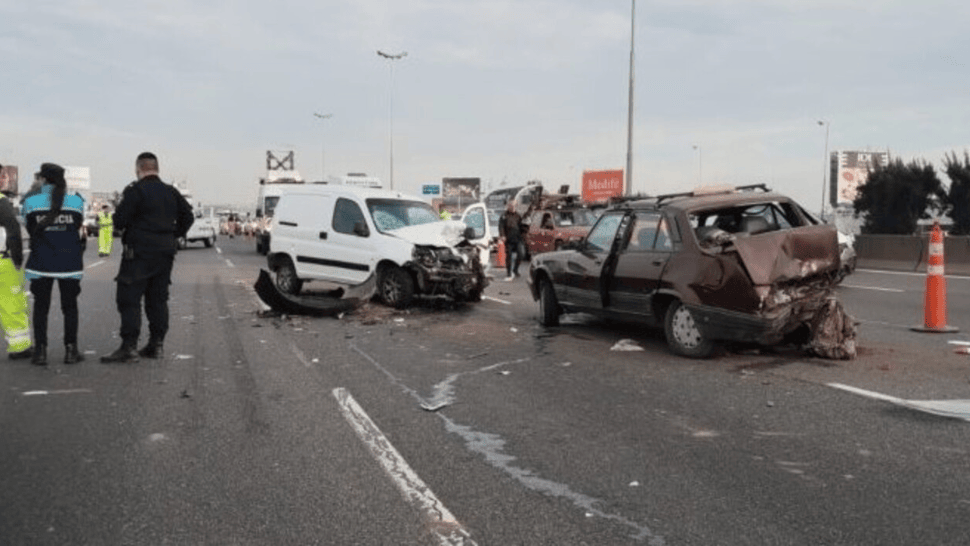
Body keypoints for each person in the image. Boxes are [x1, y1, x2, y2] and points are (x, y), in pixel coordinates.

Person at [101, 152, 193, 363]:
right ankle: (156, 344)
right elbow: (188, 216)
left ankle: (129, 347)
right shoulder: (171, 192)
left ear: (138, 168)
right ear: (157, 168)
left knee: (129, 299)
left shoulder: (136, 191)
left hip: (139, 254)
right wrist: (173, 235)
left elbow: (119, 221)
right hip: (165, 254)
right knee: (158, 299)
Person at [20, 163, 87, 365]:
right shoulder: (76, 201)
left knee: (41, 307)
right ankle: (71, 350)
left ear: (43, 179)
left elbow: (29, 227)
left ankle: (40, 351)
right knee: (70, 307)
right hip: (70, 263)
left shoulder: (31, 202)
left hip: (41, 262)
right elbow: (76, 225)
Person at [0, 163, 33, 360]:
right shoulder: (1, 201)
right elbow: (13, 230)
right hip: (3, 262)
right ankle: (20, 347)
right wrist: (18, 259)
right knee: (12, 303)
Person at [498, 200, 524, 281]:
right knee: (509, 256)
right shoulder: (504, 215)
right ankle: (509, 272)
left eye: (513, 205)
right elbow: (501, 226)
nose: (512, 207)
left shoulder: (518, 216)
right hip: (508, 239)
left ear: (516, 206)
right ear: (508, 206)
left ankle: (515, 269)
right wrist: (502, 235)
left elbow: (522, 226)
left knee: (521, 254)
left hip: (518, 238)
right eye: (510, 205)